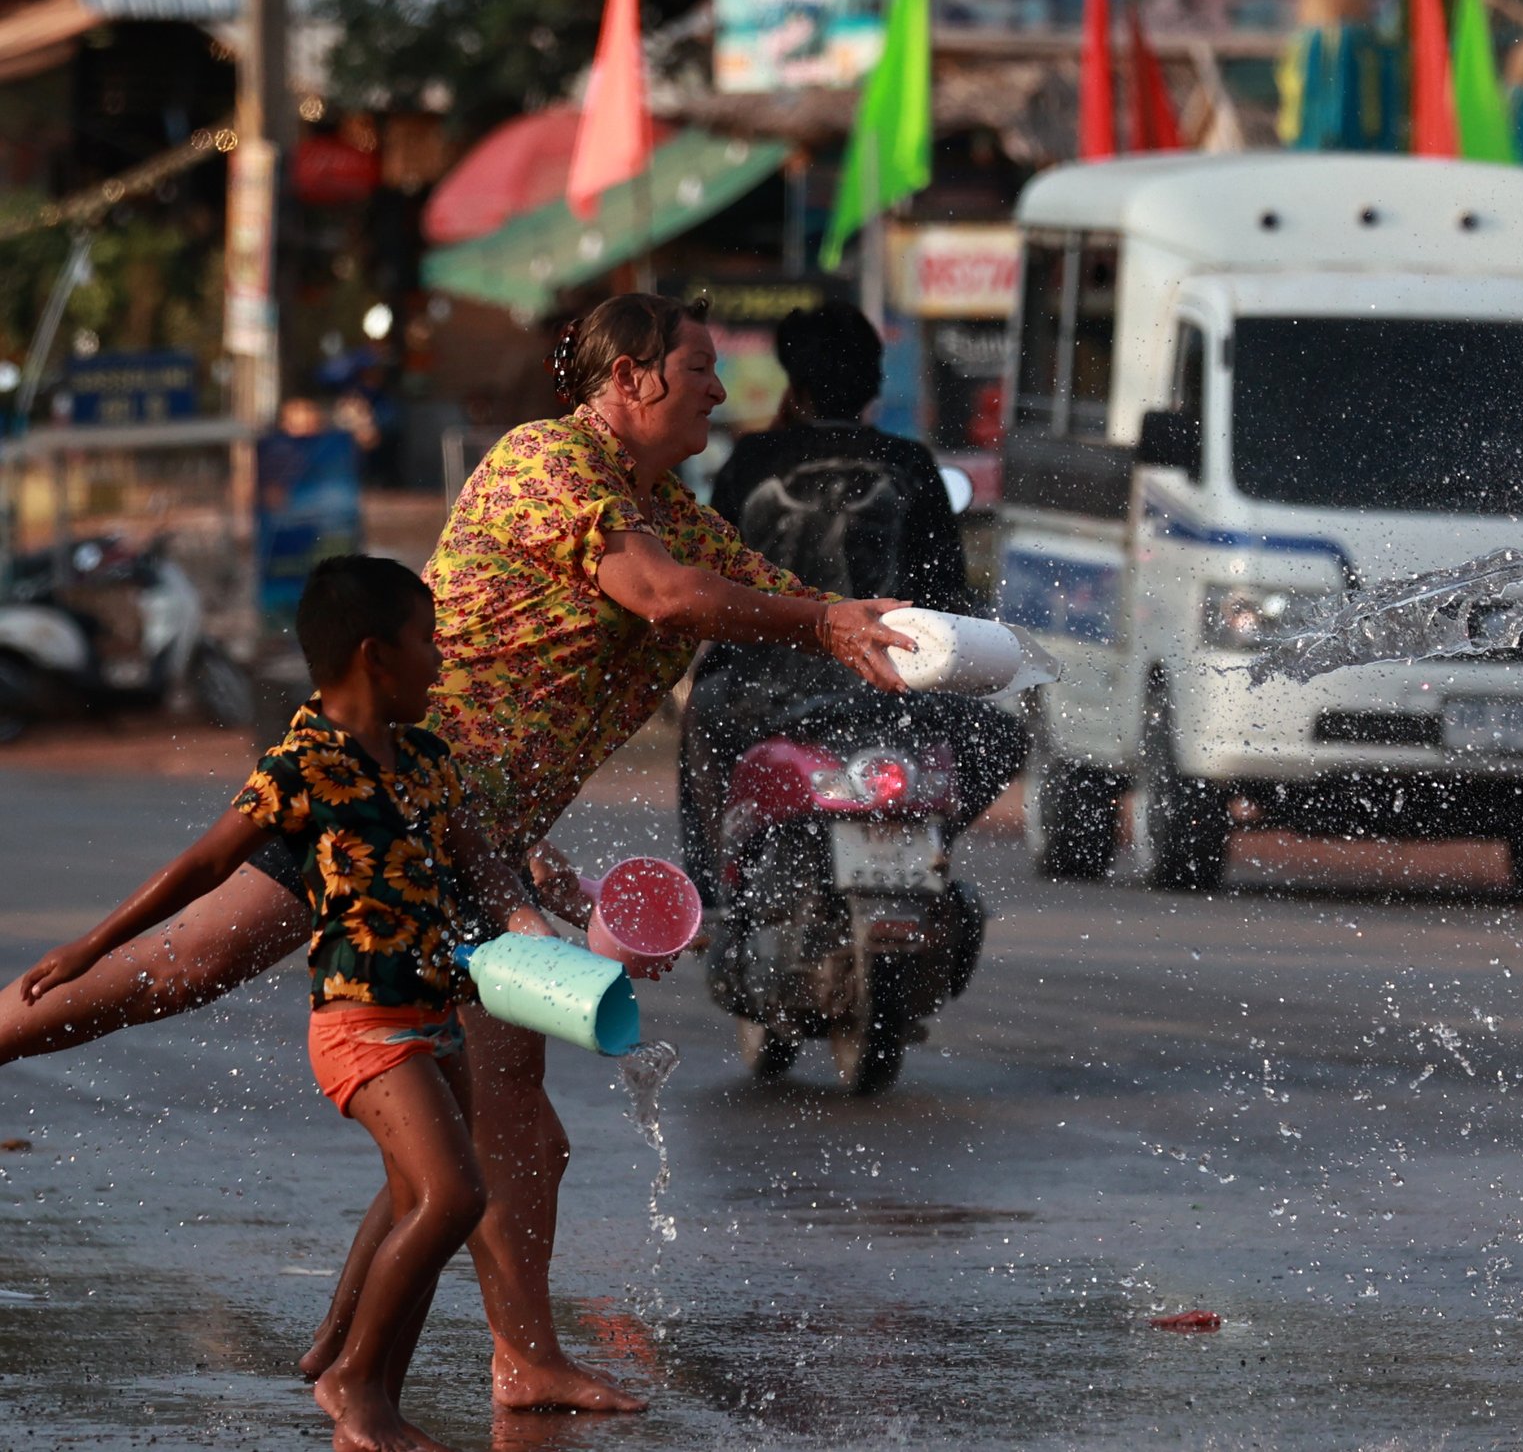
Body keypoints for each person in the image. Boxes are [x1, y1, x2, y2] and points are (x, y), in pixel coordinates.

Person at [0, 292, 913, 1413]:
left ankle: (511, 1354)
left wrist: (887, 628)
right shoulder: (550, 463)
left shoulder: (661, 505)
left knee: (510, 1105)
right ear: (628, 377)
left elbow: (768, 591)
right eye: (700, 367)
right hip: (379, 803)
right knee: (172, 970)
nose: (721, 391)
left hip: (472, 836)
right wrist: (825, 625)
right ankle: (420, 1362)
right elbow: (670, 600)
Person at [17, 556, 547, 1452]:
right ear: (376, 657)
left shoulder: (427, 758)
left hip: (434, 1009)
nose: (440, 659)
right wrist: (90, 947)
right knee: (452, 1198)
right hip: (359, 1021)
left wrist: (522, 915)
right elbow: (201, 867)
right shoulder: (300, 767)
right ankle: (350, 1382)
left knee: (423, 1194)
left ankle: (370, 1385)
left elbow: (480, 856)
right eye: (427, 641)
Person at [678, 301, 1028, 904]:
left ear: (796, 381)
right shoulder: (911, 464)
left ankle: (714, 896)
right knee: (1005, 737)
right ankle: (929, 834)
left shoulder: (751, 462)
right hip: (895, 689)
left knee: (701, 726)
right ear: (873, 382)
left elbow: (712, 582)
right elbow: (947, 596)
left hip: (763, 692)